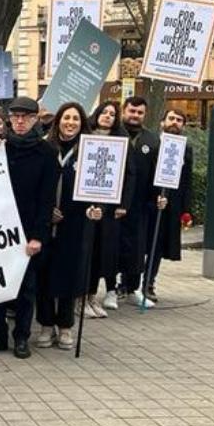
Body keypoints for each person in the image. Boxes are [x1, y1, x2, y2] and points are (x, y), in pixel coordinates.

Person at [0, 97, 57, 359]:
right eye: (16, 117)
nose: (20, 121)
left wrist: (37, 236)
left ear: (35, 119)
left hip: (27, 230)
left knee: (25, 289)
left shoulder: (46, 153)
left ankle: (21, 337)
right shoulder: (0, 148)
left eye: (26, 117)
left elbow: (47, 200)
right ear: (10, 119)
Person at [35, 103, 103, 350]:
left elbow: (99, 188)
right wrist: (45, 211)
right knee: (44, 275)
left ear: (81, 122)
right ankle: (45, 325)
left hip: (75, 224)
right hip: (45, 222)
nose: (70, 122)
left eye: (75, 118)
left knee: (68, 274)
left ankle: (65, 327)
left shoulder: (91, 150)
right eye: (66, 117)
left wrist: (96, 209)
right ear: (58, 120)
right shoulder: (44, 146)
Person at [117, 96, 166, 307]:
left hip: (140, 204)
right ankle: (112, 288)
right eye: (132, 111)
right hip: (115, 203)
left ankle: (132, 288)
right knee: (112, 247)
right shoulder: (113, 134)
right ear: (123, 111)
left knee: (136, 249)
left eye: (139, 113)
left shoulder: (153, 140)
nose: (135, 116)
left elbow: (159, 173)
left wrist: (159, 196)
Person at [86, 101, 131, 315]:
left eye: (112, 114)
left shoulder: (122, 141)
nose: (107, 116)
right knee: (86, 250)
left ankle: (93, 295)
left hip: (109, 206)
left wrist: (123, 204)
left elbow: (130, 174)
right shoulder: (84, 135)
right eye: (104, 112)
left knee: (102, 251)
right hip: (85, 203)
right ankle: (81, 298)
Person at [145, 108, 193, 303]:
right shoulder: (152, 143)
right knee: (139, 245)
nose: (174, 122)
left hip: (169, 205)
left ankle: (148, 283)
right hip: (147, 201)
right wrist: (153, 195)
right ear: (162, 122)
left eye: (179, 120)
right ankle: (126, 283)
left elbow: (186, 180)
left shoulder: (186, 148)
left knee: (156, 247)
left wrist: (185, 209)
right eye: (171, 118)